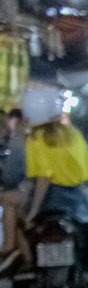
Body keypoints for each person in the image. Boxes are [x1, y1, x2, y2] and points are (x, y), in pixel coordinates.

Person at [22, 110, 88, 288]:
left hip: (48, 205)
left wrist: (32, 211)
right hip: (79, 205)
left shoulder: (34, 138)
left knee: (27, 252)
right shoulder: (72, 134)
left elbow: (42, 178)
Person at [1, 108, 29, 276]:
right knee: (19, 222)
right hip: (74, 200)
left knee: (7, 200)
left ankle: (8, 249)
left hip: (41, 196)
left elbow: (10, 176)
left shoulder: (19, 139)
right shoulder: (71, 136)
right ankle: (26, 258)